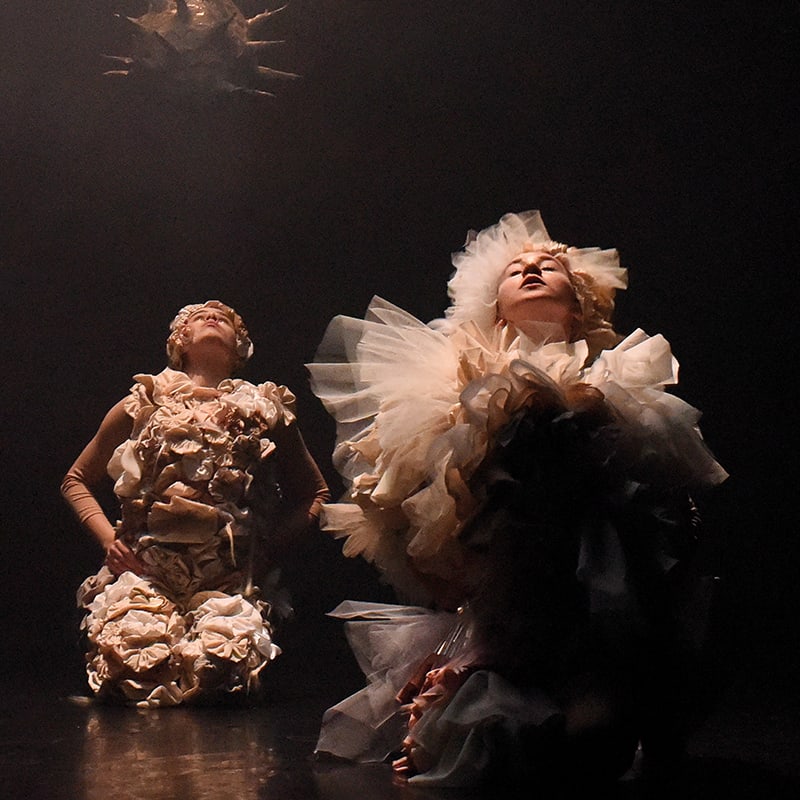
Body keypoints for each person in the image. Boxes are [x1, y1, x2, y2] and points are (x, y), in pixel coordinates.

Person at [307, 211, 727, 787]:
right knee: (499, 742)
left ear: (577, 305)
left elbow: (663, 506)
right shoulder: (448, 387)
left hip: (593, 605)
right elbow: (428, 518)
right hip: (507, 609)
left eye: (548, 267)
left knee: (589, 737)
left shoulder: (621, 382)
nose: (531, 270)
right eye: (516, 270)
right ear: (497, 309)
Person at [63, 300, 329, 707]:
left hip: (228, 584)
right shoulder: (146, 399)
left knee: (218, 672)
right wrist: (108, 541)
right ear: (180, 339)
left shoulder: (264, 407)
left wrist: (268, 551)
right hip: (148, 576)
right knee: (135, 668)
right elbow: (76, 479)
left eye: (226, 318)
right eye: (198, 316)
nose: (212, 316)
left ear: (239, 345)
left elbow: (316, 493)